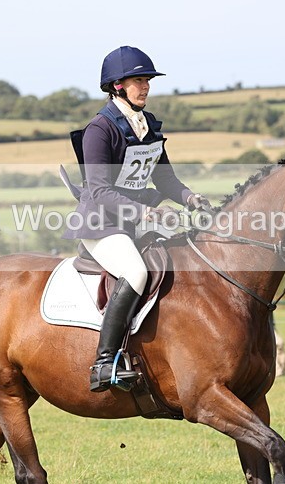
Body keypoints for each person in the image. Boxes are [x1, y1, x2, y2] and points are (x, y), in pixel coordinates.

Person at [63, 46, 209, 392]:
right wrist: (147, 212)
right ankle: (104, 362)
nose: (145, 87)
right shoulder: (100, 129)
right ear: (118, 86)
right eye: (138, 81)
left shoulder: (148, 126)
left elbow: (167, 180)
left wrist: (192, 199)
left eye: (147, 81)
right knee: (136, 272)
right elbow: (100, 191)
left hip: (134, 223)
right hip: (101, 225)